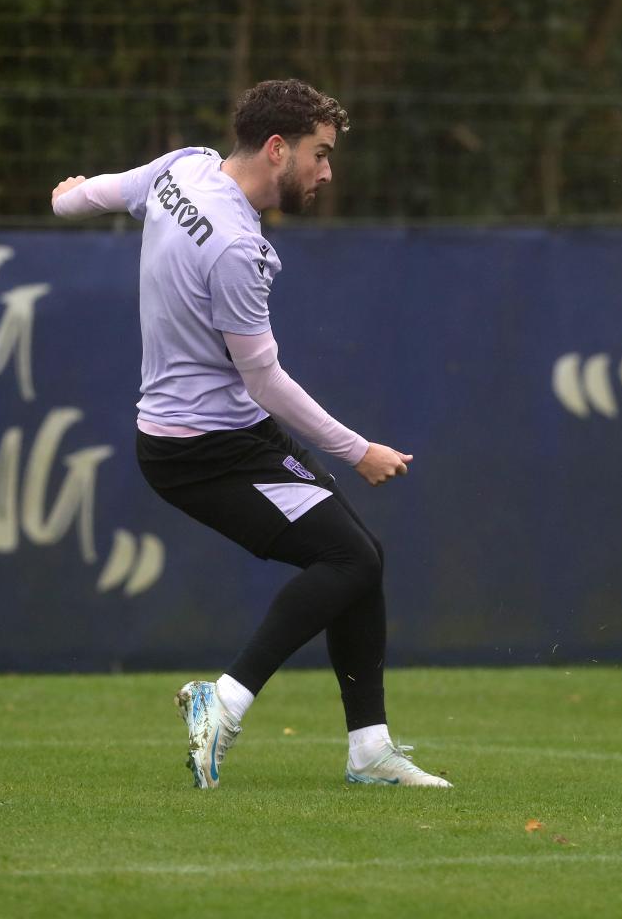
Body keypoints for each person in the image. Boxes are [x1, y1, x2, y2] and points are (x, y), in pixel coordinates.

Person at [51, 78, 450, 790]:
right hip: (206, 449)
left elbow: (102, 193)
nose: (327, 172)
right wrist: (359, 450)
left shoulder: (184, 169)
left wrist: (65, 199)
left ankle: (369, 749)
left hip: (208, 437)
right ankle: (226, 703)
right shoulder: (238, 247)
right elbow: (264, 379)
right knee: (350, 559)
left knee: (360, 557)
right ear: (276, 149)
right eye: (320, 154)